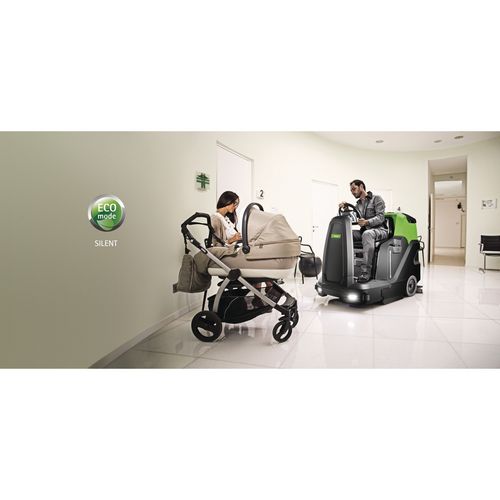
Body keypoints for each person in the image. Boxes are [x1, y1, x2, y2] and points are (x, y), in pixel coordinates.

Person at [339, 179, 388, 283]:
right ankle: (344, 269)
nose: (352, 192)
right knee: (345, 234)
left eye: (354, 189)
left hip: (379, 230)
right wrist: (345, 209)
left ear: (361, 187)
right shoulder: (357, 205)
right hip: (365, 231)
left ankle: (365, 273)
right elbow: (351, 218)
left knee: (367, 234)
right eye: (351, 190)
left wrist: (367, 222)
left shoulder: (376, 199)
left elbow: (381, 217)